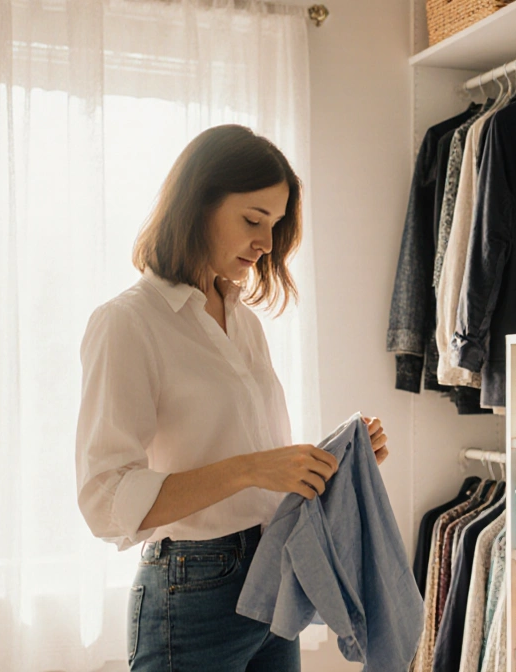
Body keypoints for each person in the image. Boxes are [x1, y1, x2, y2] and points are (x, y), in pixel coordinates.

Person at [75, 124, 389, 671]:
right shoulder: (127, 323)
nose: (267, 243)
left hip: (273, 576)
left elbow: (253, 466)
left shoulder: (242, 322)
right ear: (197, 205)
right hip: (193, 590)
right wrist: (250, 469)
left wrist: (326, 462)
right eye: (253, 220)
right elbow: (104, 500)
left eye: (275, 224)